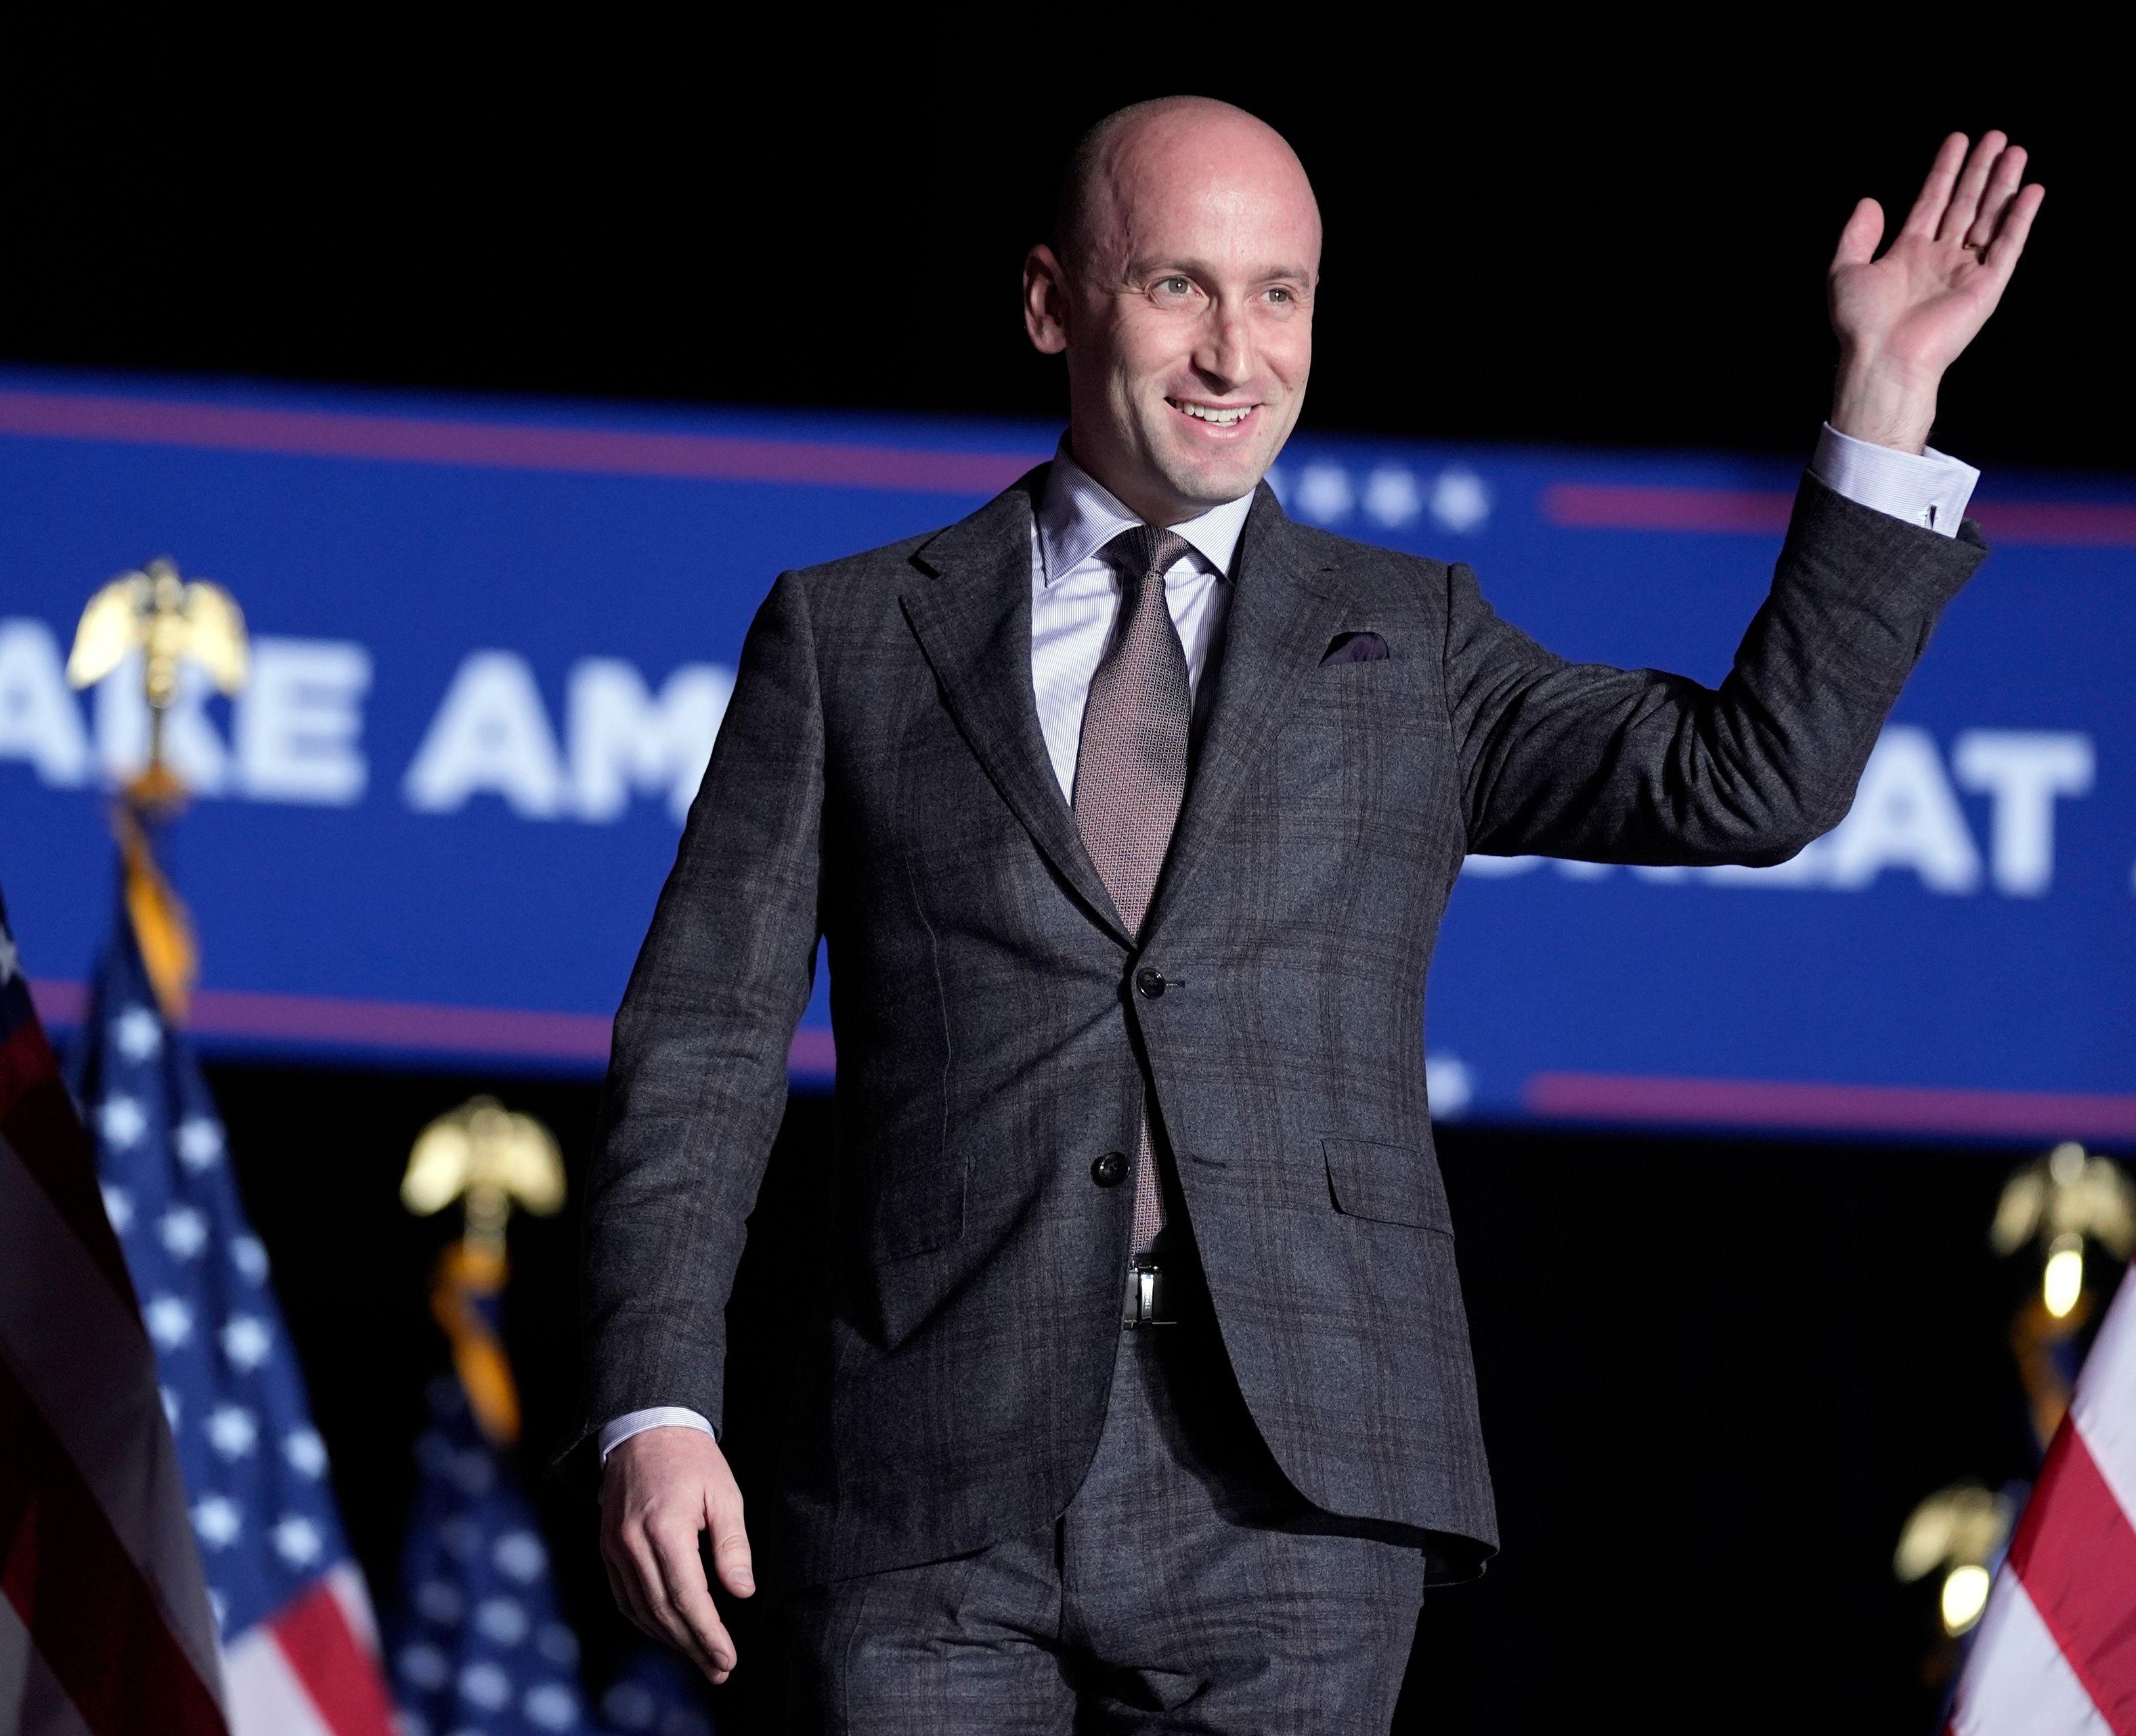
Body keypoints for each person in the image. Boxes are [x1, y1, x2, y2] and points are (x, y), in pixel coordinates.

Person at [583, 95, 2040, 1733]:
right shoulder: (850, 637)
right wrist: (657, 1402)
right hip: (932, 1484)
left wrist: (1885, 405)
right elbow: (704, 1043)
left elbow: (1749, 778)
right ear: (1055, 302)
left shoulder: (1409, 641)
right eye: (1179, 287)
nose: (1235, 352)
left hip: (1297, 1495)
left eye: (1280, 293)